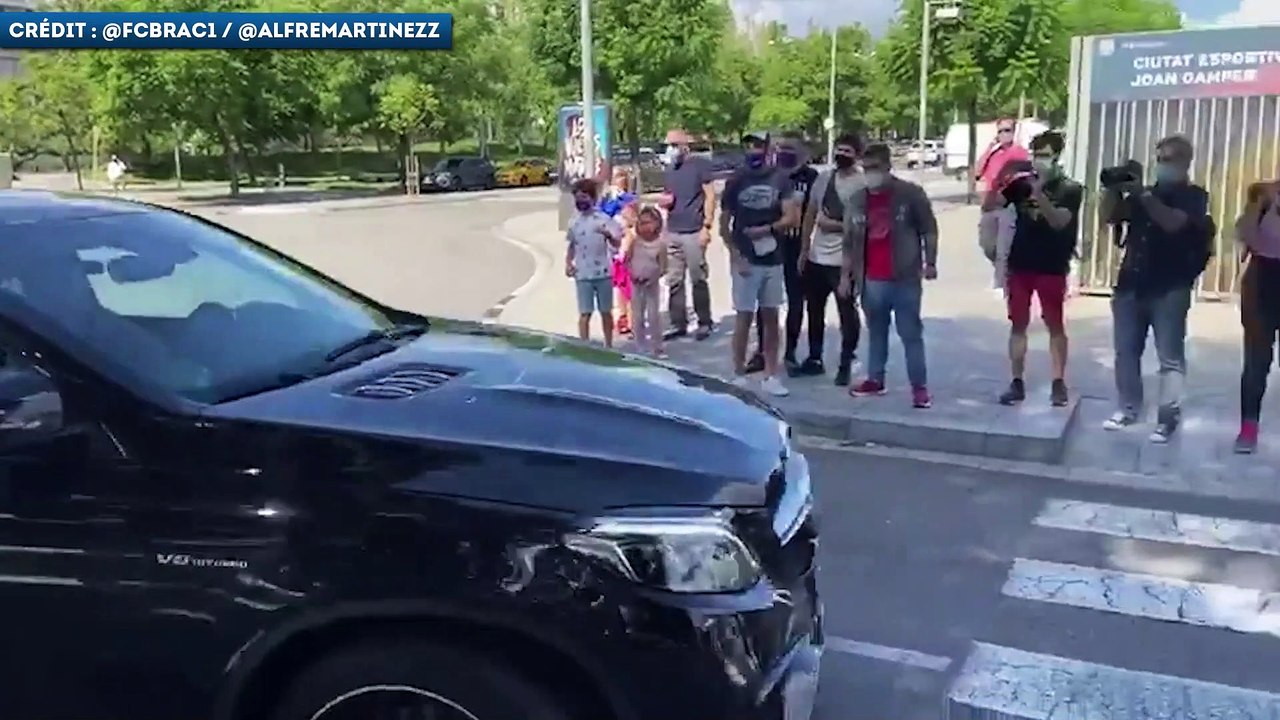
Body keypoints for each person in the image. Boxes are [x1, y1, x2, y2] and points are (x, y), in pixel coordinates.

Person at [1100, 135, 1212, 443]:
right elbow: (1109, 217)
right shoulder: (1143, 193)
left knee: (1170, 358)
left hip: (1170, 288)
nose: (1161, 164)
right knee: (1125, 352)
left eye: (1168, 159)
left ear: (1184, 162)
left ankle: (1167, 418)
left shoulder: (1194, 196)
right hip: (1130, 285)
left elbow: (1174, 223)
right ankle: (1128, 407)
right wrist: (1112, 188)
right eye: (1159, 158)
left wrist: (1145, 195)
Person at [839, 143, 939, 409]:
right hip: (871, 279)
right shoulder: (857, 200)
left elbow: (928, 229)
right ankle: (875, 378)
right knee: (876, 332)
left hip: (904, 277)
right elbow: (849, 242)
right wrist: (845, 277)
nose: (870, 173)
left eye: (875, 168)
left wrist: (930, 262)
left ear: (887, 167)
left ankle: (919, 388)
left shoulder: (910, 195)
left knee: (910, 333)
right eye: (866, 168)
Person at [994, 131, 1082, 407]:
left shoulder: (1070, 189)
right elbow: (991, 205)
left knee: (1054, 323)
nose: (1039, 160)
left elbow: (1059, 221)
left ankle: (1058, 382)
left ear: (1057, 157)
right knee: (1018, 324)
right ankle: (1016, 381)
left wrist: (1038, 192)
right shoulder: (1022, 185)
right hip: (1021, 263)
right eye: (1036, 155)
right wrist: (1003, 180)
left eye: (1045, 155)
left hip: (1052, 265)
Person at [720, 131, 800, 397]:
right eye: (748, 146)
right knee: (743, 317)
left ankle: (771, 374)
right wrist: (735, 254)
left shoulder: (780, 179)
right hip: (745, 259)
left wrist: (767, 229)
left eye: (757, 145)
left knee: (771, 316)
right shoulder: (736, 181)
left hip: (773, 258)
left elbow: (791, 217)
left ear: (766, 148)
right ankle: (738, 372)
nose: (753, 150)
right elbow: (724, 226)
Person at [744, 131, 819, 375]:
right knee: (765, 300)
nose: (785, 153)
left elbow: (815, 210)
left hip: (798, 245)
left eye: (790, 148)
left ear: (802, 152)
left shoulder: (811, 177)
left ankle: (790, 354)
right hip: (771, 244)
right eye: (781, 148)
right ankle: (762, 352)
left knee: (797, 300)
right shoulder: (770, 176)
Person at [798, 132, 864, 385]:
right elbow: (810, 214)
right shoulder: (824, 179)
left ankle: (847, 360)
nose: (841, 155)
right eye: (839, 150)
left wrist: (834, 225)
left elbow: (862, 224)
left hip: (844, 259)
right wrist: (805, 249)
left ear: (856, 155)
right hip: (818, 257)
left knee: (847, 311)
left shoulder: (862, 184)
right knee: (814, 310)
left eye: (847, 151)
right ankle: (815, 357)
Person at [1232, 181, 1280, 453]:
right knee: (1256, 363)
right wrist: (1260, 204)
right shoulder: (1262, 193)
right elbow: (1244, 234)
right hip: (1263, 283)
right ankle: (1248, 428)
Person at [659, 129, 717, 341]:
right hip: (674, 230)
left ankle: (704, 322)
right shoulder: (671, 169)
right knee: (674, 279)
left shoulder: (699, 166)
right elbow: (669, 197)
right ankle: (678, 323)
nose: (670, 148)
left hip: (694, 230)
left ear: (685, 145)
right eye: (668, 144)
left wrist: (707, 226)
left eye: (674, 144)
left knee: (698, 278)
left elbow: (710, 196)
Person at [565, 177, 624, 347]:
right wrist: (568, 263)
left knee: (606, 311)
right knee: (585, 313)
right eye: (578, 198)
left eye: (584, 197)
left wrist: (608, 235)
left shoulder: (603, 219)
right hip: (583, 274)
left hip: (603, 272)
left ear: (592, 198)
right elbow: (571, 245)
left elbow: (616, 243)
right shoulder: (574, 222)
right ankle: (584, 345)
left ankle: (609, 344)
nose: (581, 201)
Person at [976, 120, 1029, 269]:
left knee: (1003, 250)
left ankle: (1002, 284)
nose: (1003, 135)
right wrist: (990, 148)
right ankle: (1004, 271)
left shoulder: (1019, 152)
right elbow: (978, 171)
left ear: (1014, 132)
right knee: (987, 245)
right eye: (1000, 131)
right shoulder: (993, 153)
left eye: (1007, 130)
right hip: (989, 203)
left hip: (1007, 204)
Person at [626, 205, 669, 359]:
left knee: (653, 316)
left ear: (657, 224)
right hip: (636, 282)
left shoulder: (660, 244)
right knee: (637, 315)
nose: (645, 227)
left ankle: (657, 346)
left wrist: (654, 277)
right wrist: (631, 274)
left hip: (651, 284)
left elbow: (663, 267)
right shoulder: (635, 242)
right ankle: (640, 345)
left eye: (648, 223)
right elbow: (627, 260)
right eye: (642, 223)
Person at [601, 168, 638, 336]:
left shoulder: (630, 198)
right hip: (611, 248)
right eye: (616, 177)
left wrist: (622, 201)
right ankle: (622, 317)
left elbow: (633, 219)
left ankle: (632, 320)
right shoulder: (607, 199)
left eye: (622, 177)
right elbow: (600, 215)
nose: (619, 180)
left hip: (627, 246)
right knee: (618, 286)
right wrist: (609, 199)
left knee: (628, 287)